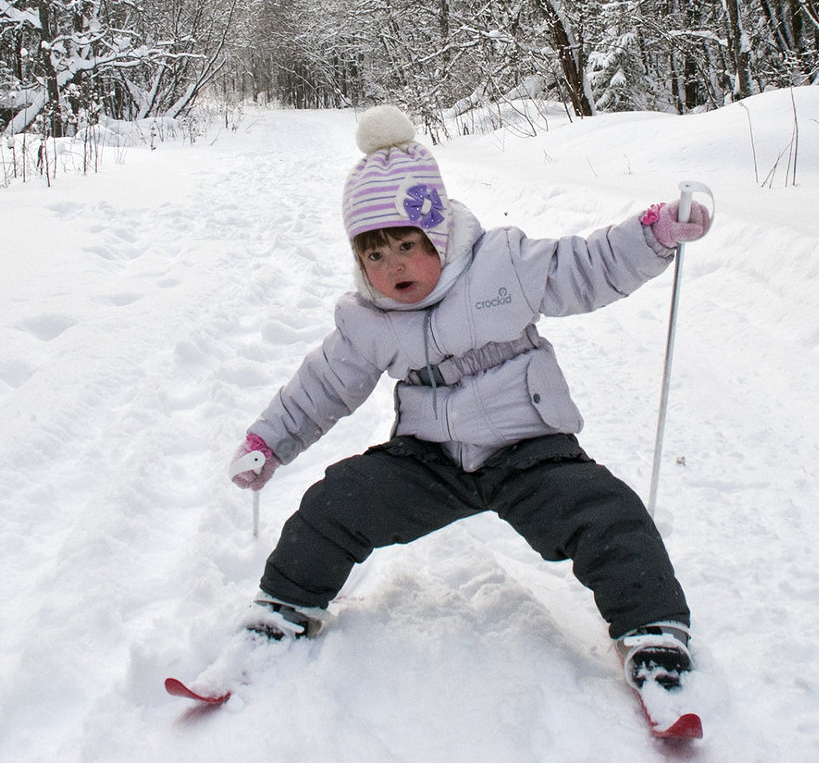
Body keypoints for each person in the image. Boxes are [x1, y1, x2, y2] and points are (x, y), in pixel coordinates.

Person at [229, 105, 711, 691]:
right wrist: (268, 442)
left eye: (406, 245)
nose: (392, 267)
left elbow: (588, 267)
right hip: (430, 460)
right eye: (373, 255)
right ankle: (284, 607)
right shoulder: (369, 319)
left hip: (530, 450)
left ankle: (652, 630)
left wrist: (653, 235)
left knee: (607, 514)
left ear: (437, 233)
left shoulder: (503, 265)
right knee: (336, 502)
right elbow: (323, 385)